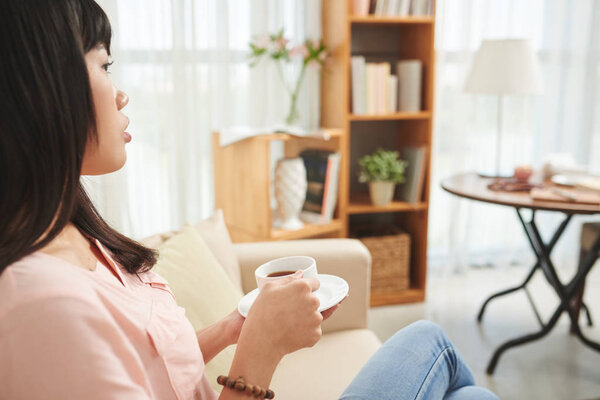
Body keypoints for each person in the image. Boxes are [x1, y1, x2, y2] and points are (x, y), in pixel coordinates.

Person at [0, 1, 498, 399]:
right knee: (434, 343)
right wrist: (261, 349)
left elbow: (150, 372)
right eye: (105, 65)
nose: (121, 94)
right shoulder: (41, 304)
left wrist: (237, 325)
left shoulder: (72, 232)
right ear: (43, 90)